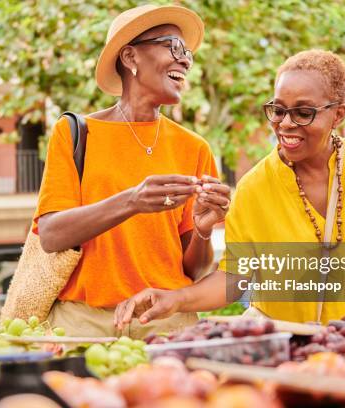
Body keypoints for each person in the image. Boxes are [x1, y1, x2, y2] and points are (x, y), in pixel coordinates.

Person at [115, 50, 345, 326]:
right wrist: (175, 299)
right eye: (278, 110)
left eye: (303, 112)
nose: (285, 124)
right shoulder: (253, 188)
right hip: (290, 349)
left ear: (338, 115)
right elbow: (234, 279)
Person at [35, 5, 231, 338]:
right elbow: (51, 235)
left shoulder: (194, 147)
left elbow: (192, 272)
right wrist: (132, 201)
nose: (184, 59)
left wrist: (201, 230)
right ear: (130, 57)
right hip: (84, 324)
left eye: (187, 53)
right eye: (173, 46)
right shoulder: (74, 133)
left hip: (165, 323)